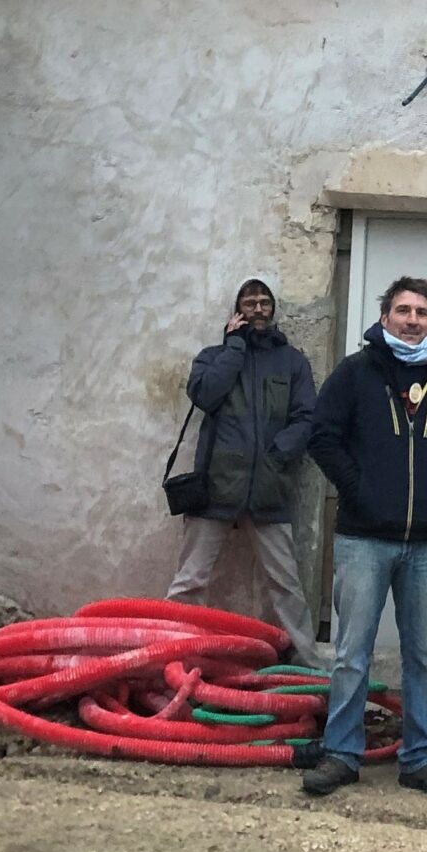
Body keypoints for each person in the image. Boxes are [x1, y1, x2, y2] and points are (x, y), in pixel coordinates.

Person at [301, 275, 427, 800]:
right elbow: (322, 437)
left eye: (422, 312)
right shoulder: (356, 373)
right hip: (364, 539)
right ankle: (341, 753)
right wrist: (359, 491)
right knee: (353, 651)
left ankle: (421, 757)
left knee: (425, 654)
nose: (412, 320)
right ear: (385, 317)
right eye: (403, 310)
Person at [167, 276, 320, 662]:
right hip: (216, 489)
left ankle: (308, 669)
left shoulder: (292, 361)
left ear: (273, 309)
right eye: (249, 302)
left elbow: (306, 417)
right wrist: (233, 347)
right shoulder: (213, 356)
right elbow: (205, 395)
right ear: (236, 311)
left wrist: (277, 455)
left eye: (264, 302)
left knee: (286, 586)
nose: (257, 309)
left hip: (269, 491)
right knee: (189, 582)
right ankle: (170, 659)